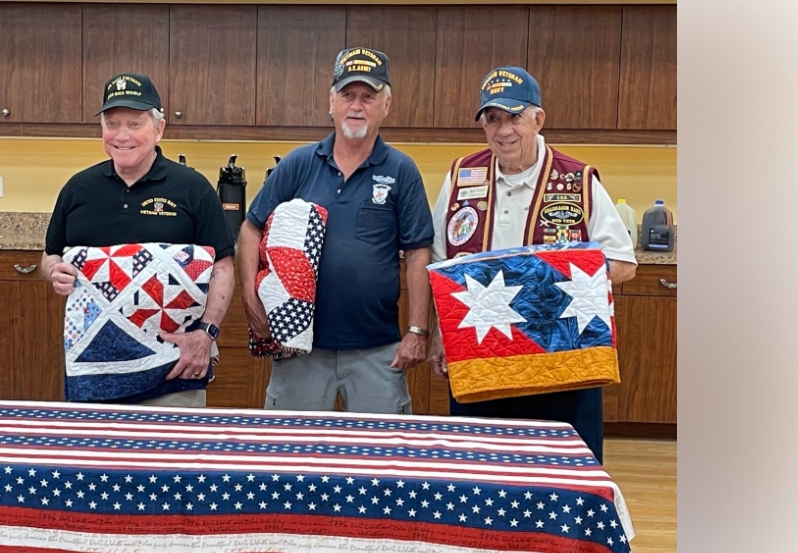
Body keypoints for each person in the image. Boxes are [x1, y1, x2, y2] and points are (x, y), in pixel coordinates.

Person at [427, 65, 638, 463]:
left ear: (538, 119)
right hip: (481, 354)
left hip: (562, 359)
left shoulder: (577, 181)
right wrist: (440, 334)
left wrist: (550, 279)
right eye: (493, 119)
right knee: (482, 468)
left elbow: (624, 263)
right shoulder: (461, 176)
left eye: (514, 117)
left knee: (563, 469)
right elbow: (439, 264)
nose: (503, 130)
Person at [236, 47, 435, 414]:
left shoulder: (401, 170)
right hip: (299, 348)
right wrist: (251, 302)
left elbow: (419, 252)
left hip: (378, 349)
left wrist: (418, 330)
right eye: (347, 95)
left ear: (386, 105)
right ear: (332, 101)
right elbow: (250, 230)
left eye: (368, 96)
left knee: (383, 461)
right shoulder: (298, 163)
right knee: (291, 460)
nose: (356, 106)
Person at [40, 72, 235, 407]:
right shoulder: (78, 190)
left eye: (134, 123)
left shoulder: (192, 189)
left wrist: (207, 333)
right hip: (95, 370)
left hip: (173, 366)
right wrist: (54, 270)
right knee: (98, 457)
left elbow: (223, 268)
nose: (122, 135)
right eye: (112, 124)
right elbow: (50, 255)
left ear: (158, 128)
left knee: (171, 457)